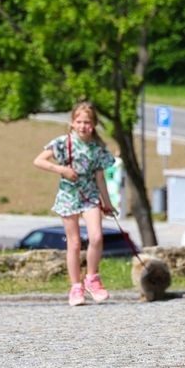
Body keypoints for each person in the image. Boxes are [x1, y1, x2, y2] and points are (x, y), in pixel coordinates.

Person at [32, 101, 116, 306]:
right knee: (75, 242)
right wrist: (62, 171)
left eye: (87, 122)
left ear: (94, 124)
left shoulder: (97, 149)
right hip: (69, 196)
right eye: (79, 121)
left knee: (96, 237)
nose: (83, 126)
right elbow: (39, 161)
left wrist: (107, 203)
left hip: (90, 196)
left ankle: (92, 279)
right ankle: (75, 287)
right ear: (72, 123)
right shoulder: (63, 143)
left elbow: (100, 179)